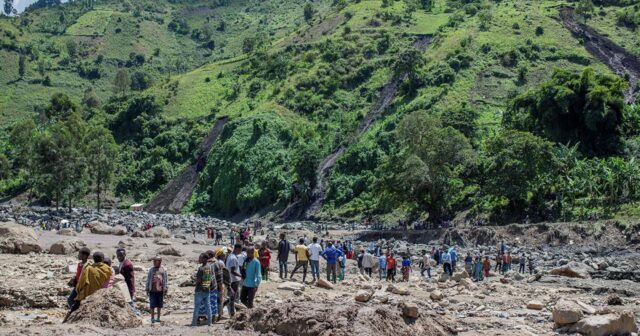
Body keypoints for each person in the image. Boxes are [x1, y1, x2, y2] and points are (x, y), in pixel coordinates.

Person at [64, 252, 113, 322]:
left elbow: (82, 282)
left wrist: (78, 291)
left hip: (87, 293)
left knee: (74, 309)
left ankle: (66, 321)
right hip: (99, 294)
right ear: (102, 259)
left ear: (93, 259)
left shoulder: (89, 268)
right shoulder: (108, 269)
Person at [192, 253, 213, 327]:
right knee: (208, 306)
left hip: (199, 290)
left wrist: (194, 279)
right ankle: (210, 323)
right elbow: (211, 278)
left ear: (204, 259)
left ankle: (194, 324)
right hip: (207, 289)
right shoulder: (210, 267)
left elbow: (198, 280)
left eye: (200, 258)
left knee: (197, 307)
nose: (199, 259)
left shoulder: (201, 268)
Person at [146, 256, 168, 323]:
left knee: (159, 305)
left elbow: (165, 280)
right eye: (154, 261)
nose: (154, 263)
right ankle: (152, 318)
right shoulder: (151, 270)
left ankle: (158, 318)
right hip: (152, 290)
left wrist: (166, 288)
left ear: (160, 262)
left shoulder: (163, 270)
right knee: (152, 305)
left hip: (160, 291)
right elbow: (148, 279)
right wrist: (147, 288)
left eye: (156, 261)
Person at [225, 244, 242, 317]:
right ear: (237, 249)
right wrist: (240, 275)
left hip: (231, 279)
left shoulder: (230, 256)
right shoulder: (233, 258)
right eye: (240, 250)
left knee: (231, 297)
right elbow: (232, 271)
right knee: (232, 298)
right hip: (234, 280)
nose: (240, 252)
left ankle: (230, 310)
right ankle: (232, 313)